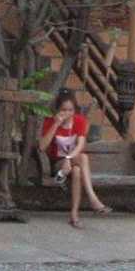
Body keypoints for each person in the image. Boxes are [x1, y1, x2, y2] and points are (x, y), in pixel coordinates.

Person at [38, 89, 111, 228]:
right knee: (83, 158)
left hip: (72, 161)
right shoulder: (50, 121)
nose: (67, 113)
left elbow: (81, 144)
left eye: (70, 110)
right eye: (63, 110)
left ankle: (74, 214)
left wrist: (68, 158)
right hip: (57, 165)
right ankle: (93, 198)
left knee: (77, 170)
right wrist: (55, 124)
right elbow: (42, 147)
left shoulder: (79, 121)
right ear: (57, 110)